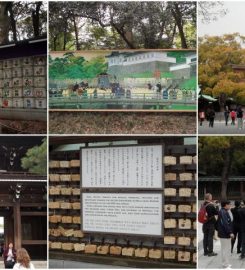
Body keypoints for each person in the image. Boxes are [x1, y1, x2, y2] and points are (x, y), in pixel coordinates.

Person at [217, 201, 234, 269]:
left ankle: (226, 263)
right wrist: (230, 232)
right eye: (229, 204)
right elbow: (225, 223)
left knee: (225, 249)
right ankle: (225, 265)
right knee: (225, 249)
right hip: (224, 234)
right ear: (226, 205)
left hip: (223, 233)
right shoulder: (223, 212)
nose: (230, 205)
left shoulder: (223, 211)